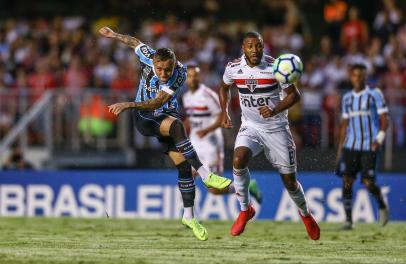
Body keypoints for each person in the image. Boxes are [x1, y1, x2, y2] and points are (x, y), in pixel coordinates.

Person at [98, 27, 232, 241]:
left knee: (183, 166)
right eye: (159, 69)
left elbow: (159, 101)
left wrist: (127, 103)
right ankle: (207, 175)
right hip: (145, 118)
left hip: (161, 112)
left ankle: (189, 217)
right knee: (177, 126)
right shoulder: (147, 55)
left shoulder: (180, 73)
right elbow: (134, 41)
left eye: (166, 70)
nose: (163, 74)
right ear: (153, 62)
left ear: (173, 65)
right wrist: (114, 35)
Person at [219, 31, 320, 240]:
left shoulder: (275, 67)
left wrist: (274, 109)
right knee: (238, 159)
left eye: (259, 46)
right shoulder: (233, 67)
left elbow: (295, 95)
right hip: (251, 127)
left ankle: (305, 214)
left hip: (277, 129)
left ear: (263, 47)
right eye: (250, 46)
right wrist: (224, 111)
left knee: (290, 182)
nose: (255, 50)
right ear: (243, 48)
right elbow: (224, 87)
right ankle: (245, 209)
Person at [183, 65, 262, 203]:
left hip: (210, 146)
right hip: (195, 144)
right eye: (189, 76)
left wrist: (206, 130)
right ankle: (191, 217)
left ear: (199, 77)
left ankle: (247, 187)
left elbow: (222, 115)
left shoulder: (207, 95)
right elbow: (193, 117)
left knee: (213, 190)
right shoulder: (186, 97)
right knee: (186, 177)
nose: (192, 78)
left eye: (195, 75)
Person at [336, 63, 389, 230]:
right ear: (351, 77)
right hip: (350, 146)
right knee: (347, 182)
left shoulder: (375, 94)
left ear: (366, 77)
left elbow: (384, 119)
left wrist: (379, 138)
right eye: (355, 75)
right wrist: (339, 150)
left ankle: (382, 205)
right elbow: (344, 125)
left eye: (361, 76)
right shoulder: (347, 98)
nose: (358, 79)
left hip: (369, 145)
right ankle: (348, 221)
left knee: (367, 182)